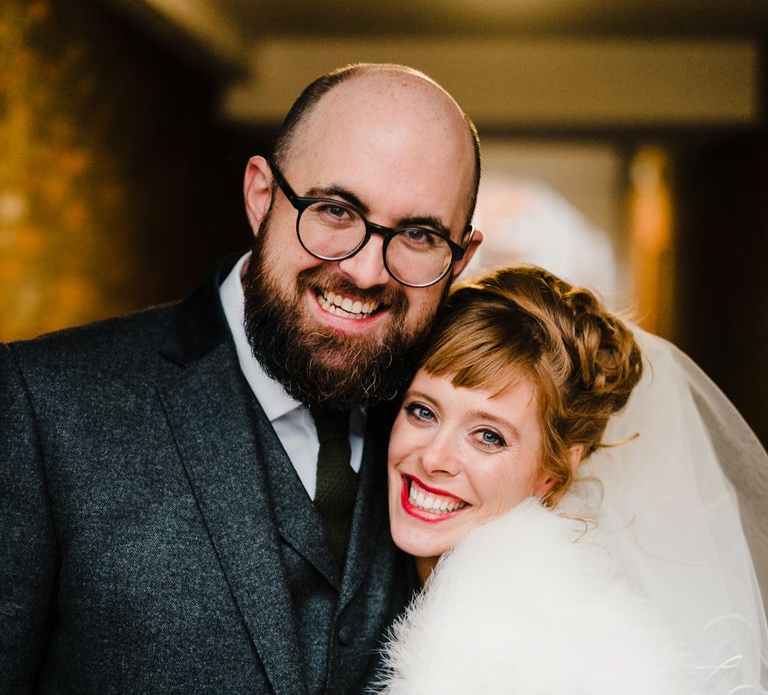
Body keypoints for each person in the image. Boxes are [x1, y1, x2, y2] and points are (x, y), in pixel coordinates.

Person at [0, 64, 483, 692]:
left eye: (419, 234)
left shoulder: (468, 439)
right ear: (261, 196)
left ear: (461, 258)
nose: (367, 273)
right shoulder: (41, 403)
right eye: (335, 210)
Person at [380, 266, 768, 694]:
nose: (434, 458)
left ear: (552, 472)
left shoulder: (546, 657)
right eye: (423, 411)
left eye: (488, 437)